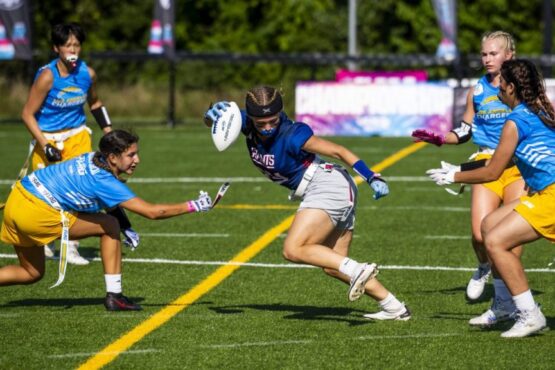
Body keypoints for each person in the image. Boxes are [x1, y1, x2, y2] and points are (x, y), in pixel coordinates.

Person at [204, 86, 410, 321]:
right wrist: (211, 113)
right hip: (332, 188)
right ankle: (394, 307)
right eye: (261, 124)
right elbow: (218, 123)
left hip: (328, 184)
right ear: (251, 118)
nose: (268, 127)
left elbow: (338, 150)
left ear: (280, 113)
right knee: (333, 265)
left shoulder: (294, 134)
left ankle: (359, 270)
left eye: (273, 121)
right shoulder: (245, 121)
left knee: (293, 249)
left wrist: (372, 176)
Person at [0, 130, 213, 311]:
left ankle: (115, 295)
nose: (137, 160)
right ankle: (115, 296)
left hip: (16, 201)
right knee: (110, 226)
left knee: (31, 273)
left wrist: (127, 226)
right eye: (131, 155)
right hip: (36, 212)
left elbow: (106, 201)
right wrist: (194, 205)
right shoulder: (105, 180)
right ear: (112, 157)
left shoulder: (93, 158)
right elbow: (153, 212)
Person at [427, 59, 553, 338]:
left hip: (552, 197)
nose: (498, 93)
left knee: (495, 242)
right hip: (546, 193)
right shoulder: (541, 110)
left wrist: (453, 177)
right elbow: (505, 164)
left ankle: (530, 315)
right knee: (489, 226)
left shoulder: (515, 121)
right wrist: (460, 169)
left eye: (502, 87)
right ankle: (506, 304)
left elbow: (493, 171)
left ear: (512, 87)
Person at [412, 31, 525, 320]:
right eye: (484, 54)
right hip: (485, 164)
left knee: (509, 238)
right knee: (479, 234)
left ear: (509, 55)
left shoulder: (523, 88)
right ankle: (485, 266)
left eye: (493, 54)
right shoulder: (476, 91)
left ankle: (504, 304)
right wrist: (439, 138)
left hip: (519, 167)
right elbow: (465, 130)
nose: (487, 59)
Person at [20, 23, 123, 265]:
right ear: (56, 48)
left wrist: (109, 133)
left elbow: (95, 104)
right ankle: (47, 241)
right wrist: (44, 144)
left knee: (81, 191)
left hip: (78, 137)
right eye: (68, 45)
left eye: (77, 44)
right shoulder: (47, 76)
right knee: (49, 196)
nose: (73, 49)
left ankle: (72, 246)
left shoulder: (88, 74)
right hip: (49, 139)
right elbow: (27, 113)